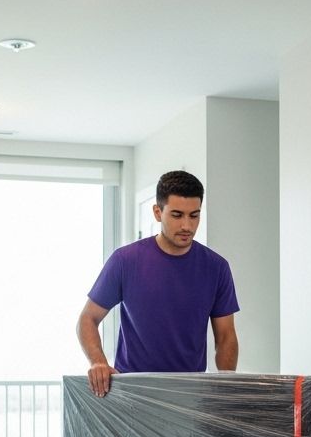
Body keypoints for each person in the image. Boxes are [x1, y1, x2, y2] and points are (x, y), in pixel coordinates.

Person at [77, 170, 239, 396]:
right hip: (133, 392)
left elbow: (226, 335)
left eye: (194, 215)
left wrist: (227, 387)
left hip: (190, 394)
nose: (187, 225)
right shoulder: (125, 261)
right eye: (177, 215)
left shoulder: (216, 267)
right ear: (157, 212)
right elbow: (88, 319)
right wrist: (98, 363)